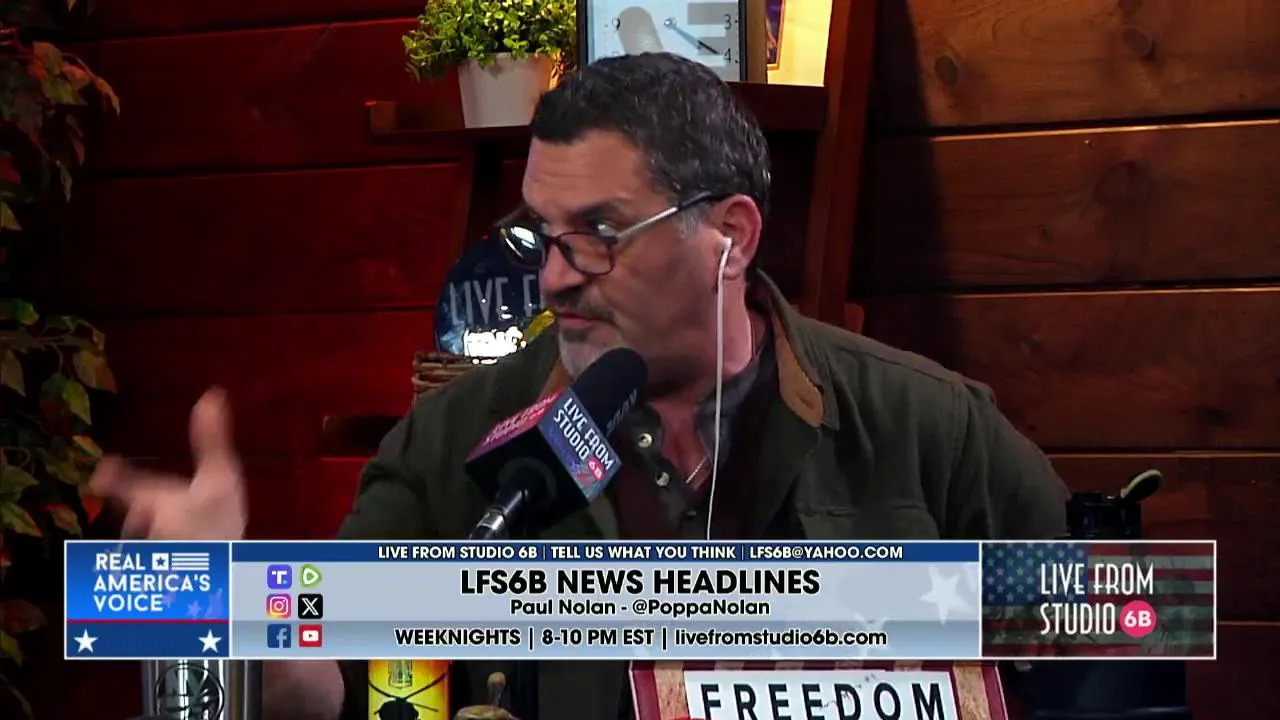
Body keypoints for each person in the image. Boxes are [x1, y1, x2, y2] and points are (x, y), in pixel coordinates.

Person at [90, 52, 1068, 720]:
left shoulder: (926, 429)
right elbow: (334, 686)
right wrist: (212, 603)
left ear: (729, 237)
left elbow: (1100, 644)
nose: (554, 278)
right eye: (540, 235)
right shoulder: (454, 443)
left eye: (598, 234)